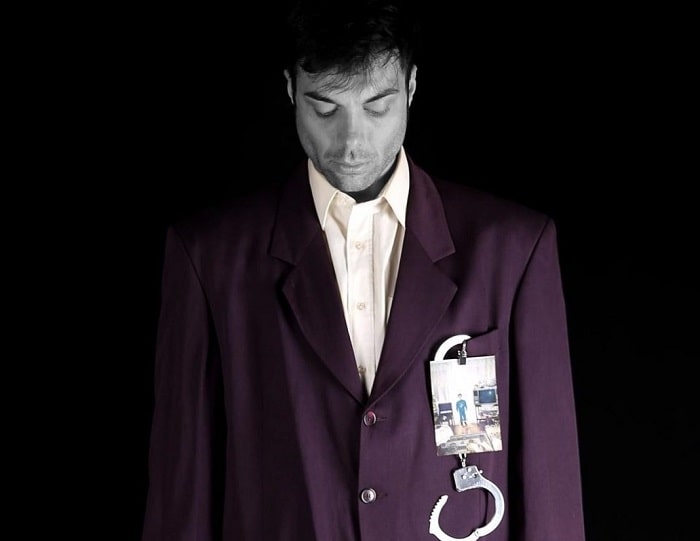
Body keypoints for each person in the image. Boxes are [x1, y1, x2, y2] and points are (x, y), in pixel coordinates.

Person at [141, 1, 586, 539]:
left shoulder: (513, 250)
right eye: (325, 108)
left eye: (377, 107)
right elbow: (182, 494)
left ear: (411, 87)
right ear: (291, 90)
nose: (351, 142)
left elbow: (550, 485)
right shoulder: (208, 257)